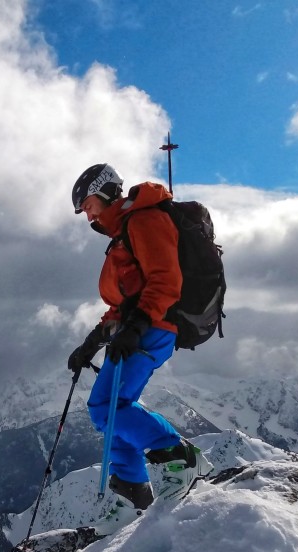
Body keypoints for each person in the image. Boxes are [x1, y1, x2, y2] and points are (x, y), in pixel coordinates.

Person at [67, 163, 209, 531]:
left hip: (155, 326)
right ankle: (132, 493)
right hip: (139, 326)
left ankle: (179, 455)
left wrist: (139, 325)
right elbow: (123, 301)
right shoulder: (124, 232)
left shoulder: (144, 220)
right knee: (114, 408)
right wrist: (93, 341)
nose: (89, 216)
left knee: (104, 406)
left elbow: (166, 280)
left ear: (105, 192)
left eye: (89, 206)